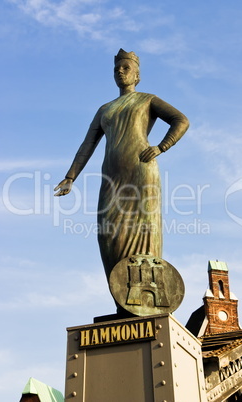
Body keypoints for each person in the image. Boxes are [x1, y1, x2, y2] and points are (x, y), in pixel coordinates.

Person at [54, 49, 189, 283]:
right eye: (117, 68)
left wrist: (161, 147)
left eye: (126, 67)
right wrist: (71, 177)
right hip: (112, 177)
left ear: (137, 75)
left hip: (141, 170)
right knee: (108, 235)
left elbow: (181, 120)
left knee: (145, 231)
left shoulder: (147, 99)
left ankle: (147, 291)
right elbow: (88, 144)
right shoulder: (104, 109)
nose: (120, 71)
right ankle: (122, 294)